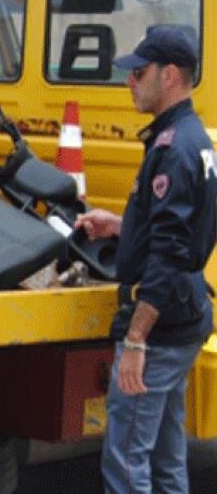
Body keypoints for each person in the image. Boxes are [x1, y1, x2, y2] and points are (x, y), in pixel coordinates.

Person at [75, 25, 216, 494]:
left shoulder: (173, 149)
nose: (129, 82)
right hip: (184, 316)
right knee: (165, 457)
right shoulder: (191, 139)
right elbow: (179, 228)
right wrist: (121, 226)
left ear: (170, 75)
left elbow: (172, 251)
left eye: (139, 72)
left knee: (127, 461)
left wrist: (136, 338)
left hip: (160, 327)